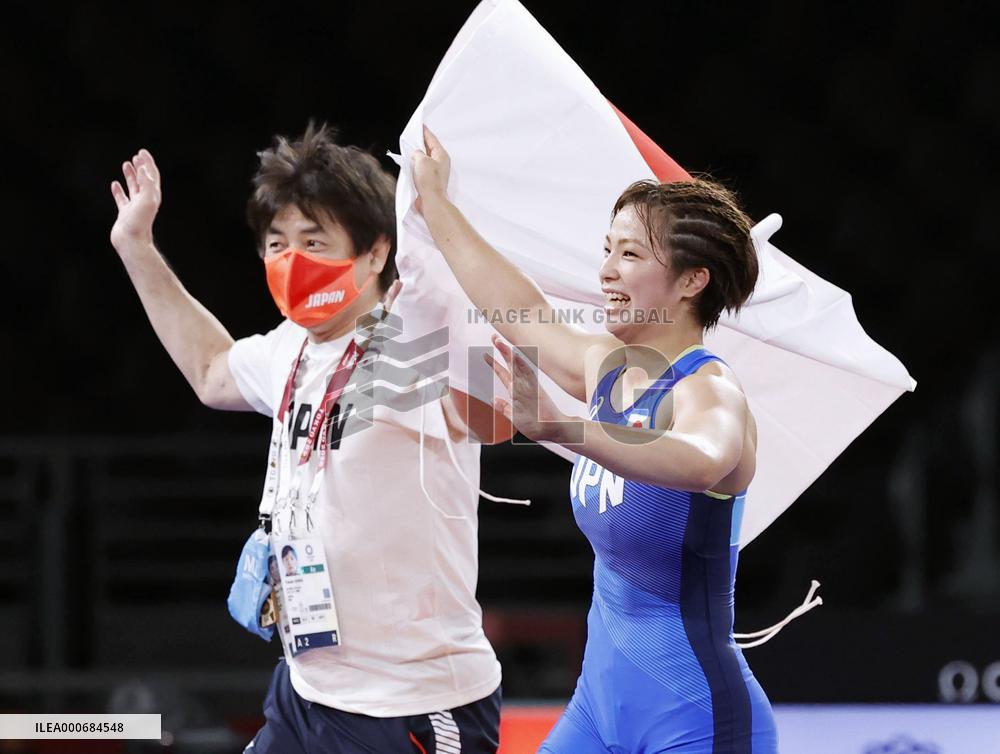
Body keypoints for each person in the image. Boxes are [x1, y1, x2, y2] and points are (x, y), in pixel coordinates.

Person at [109, 123, 508, 754]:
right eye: (276, 242)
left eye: (314, 241)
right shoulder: (292, 348)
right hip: (305, 691)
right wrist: (136, 247)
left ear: (376, 252)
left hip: (410, 704)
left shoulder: (415, 348)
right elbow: (212, 371)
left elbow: (500, 408)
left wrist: (443, 255)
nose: (291, 260)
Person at [412, 127, 778, 753]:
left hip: (695, 719)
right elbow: (518, 307)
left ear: (692, 280)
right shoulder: (607, 369)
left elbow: (703, 460)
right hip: (595, 710)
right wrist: (435, 203)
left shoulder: (711, 392)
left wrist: (565, 429)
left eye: (630, 255)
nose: (605, 271)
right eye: (606, 249)